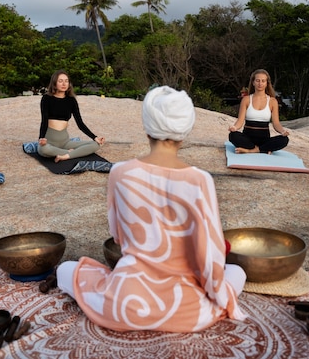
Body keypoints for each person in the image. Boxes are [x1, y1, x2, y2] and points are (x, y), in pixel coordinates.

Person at [55, 86, 247, 332]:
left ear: (147, 127)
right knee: (236, 272)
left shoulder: (119, 172)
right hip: (187, 312)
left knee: (66, 270)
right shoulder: (199, 180)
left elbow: (119, 238)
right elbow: (210, 255)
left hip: (123, 305)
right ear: (185, 131)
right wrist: (221, 297)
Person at [37, 70, 105, 162]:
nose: (64, 84)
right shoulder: (46, 98)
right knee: (43, 149)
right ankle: (69, 153)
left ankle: (65, 156)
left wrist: (95, 137)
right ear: (54, 83)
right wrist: (41, 138)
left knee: (95, 145)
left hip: (65, 142)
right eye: (60, 81)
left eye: (66, 81)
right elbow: (44, 121)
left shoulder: (71, 100)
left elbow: (80, 123)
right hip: (50, 142)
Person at [228, 69, 290, 154]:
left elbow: (276, 123)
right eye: (257, 80)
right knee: (232, 135)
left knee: (284, 140)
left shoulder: (272, 101)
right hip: (247, 139)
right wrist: (234, 128)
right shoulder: (246, 99)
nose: (260, 83)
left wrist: (282, 131)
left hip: (264, 140)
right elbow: (240, 121)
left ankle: (252, 150)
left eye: (263, 81)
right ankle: (262, 149)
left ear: (267, 83)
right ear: (253, 82)